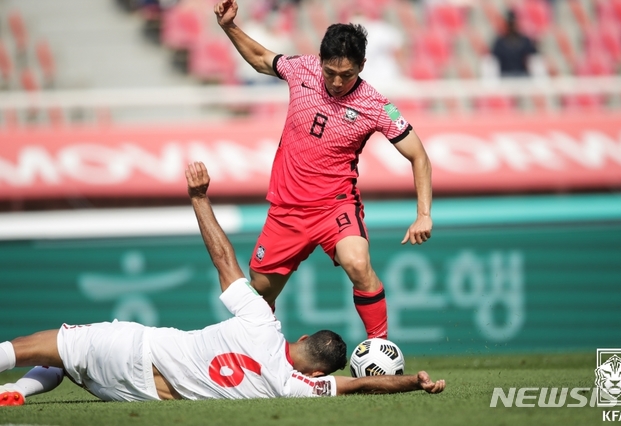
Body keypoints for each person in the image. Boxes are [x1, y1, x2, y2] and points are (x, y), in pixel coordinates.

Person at [0, 162, 446, 406]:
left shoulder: (261, 324)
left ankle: (11, 374)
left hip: (135, 349)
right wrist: (413, 382)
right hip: (137, 395)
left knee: (43, 345)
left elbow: (224, 260)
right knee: (63, 367)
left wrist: (199, 198)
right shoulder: (291, 387)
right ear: (318, 374)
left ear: (304, 337)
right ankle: (15, 392)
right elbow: (364, 386)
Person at [214, 0, 434, 340]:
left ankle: (381, 348)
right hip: (286, 210)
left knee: (359, 265)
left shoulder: (377, 106)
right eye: (330, 72)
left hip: (335, 206)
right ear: (320, 61)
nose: (335, 81)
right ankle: (262, 354)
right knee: (260, 294)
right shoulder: (300, 70)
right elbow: (260, 58)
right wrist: (229, 27)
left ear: (362, 65)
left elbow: (419, 156)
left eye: (346, 75)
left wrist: (423, 214)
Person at [490, 9, 539, 77]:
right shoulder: (499, 42)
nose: (512, 26)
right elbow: (493, 61)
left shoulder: (525, 40)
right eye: (510, 23)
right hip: (505, 77)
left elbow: (534, 58)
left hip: (522, 76)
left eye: (513, 23)